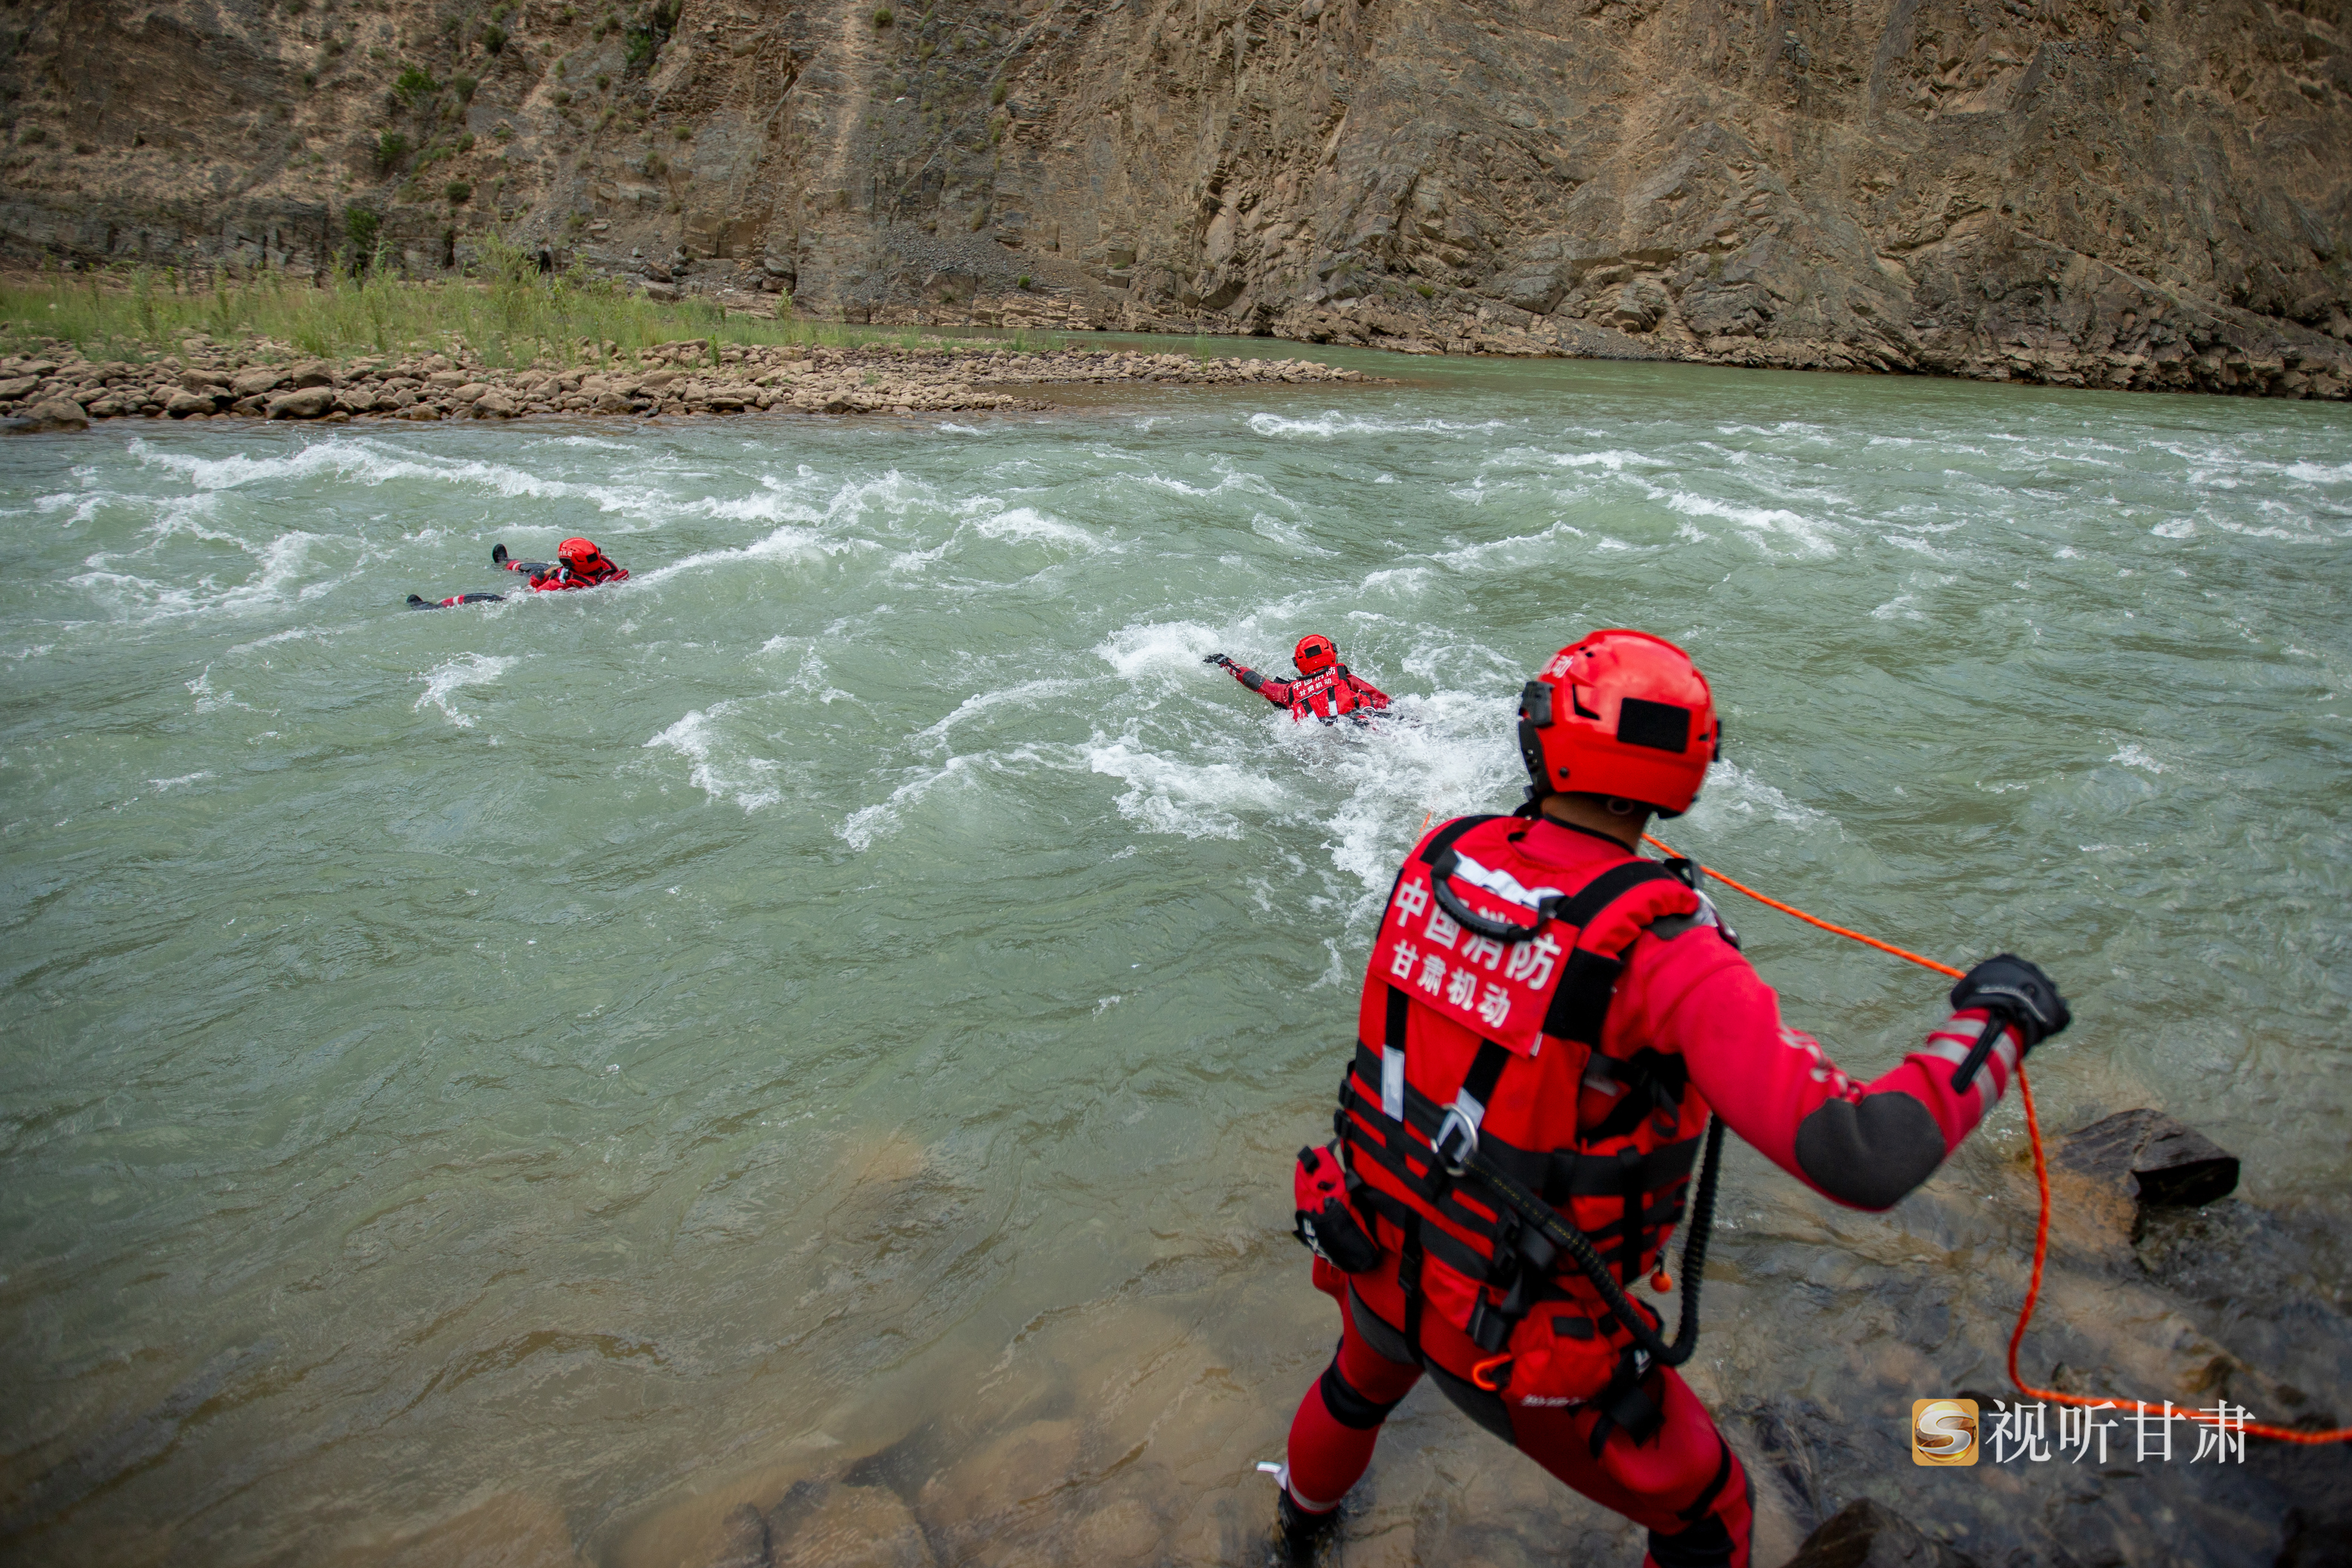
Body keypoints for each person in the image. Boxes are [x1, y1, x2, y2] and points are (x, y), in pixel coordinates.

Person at [1273, 628, 2070, 1566]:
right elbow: (1865, 1155)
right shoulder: (1666, 951)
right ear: (1686, 777)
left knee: (1357, 1387)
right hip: (1507, 1326)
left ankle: (1293, 1535)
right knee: (1712, 1514)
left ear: (1539, 740)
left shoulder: (1439, 857)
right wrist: (1999, 1021)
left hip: (1378, 1246)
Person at [1205, 635, 1391, 725]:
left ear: (1299, 664)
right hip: (1359, 725)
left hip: (1316, 739)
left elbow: (1257, 682)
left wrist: (1226, 662)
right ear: (1332, 654)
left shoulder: (1289, 692)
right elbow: (1383, 701)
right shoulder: (1342, 676)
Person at [495, 537, 629, 592]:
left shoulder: (559, 582)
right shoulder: (607, 569)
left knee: (533, 569)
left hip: (548, 578)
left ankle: (505, 562)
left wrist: (543, 575)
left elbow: (533, 591)